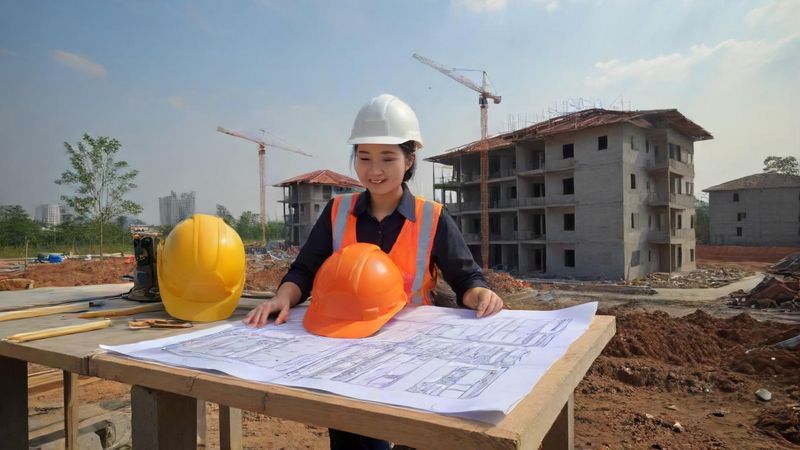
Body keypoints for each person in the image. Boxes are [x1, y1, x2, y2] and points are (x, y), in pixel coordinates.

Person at [243, 93, 503, 450]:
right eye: (364, 158)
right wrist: (282, 296)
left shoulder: (432, 217)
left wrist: (478, 294)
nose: (374, 170)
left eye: (387, 158)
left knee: (414, 438)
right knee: (357, 439)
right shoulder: (337, 212)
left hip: (412, 354)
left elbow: (465, 277)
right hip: (346, 350)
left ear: (410, 160)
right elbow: (304, 270)